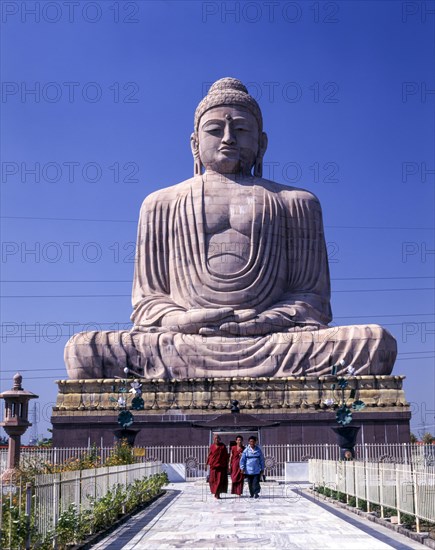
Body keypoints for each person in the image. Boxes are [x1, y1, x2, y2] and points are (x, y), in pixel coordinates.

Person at [65, 77, 397, 380]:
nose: (227, 138)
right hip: (185, 340)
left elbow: (311, 300)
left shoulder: (297, 202)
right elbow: (148, 303)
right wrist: (182, 320)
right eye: (214, 130)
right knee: (85, 351)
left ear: (262, 143)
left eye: (240, 130)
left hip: (272, 340)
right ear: (195, 144)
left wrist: (265, 321)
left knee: (374, 343)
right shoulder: (160, 203)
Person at [206, 434, 229, 499]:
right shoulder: (212, 446)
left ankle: (217, 493)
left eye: (218, 438)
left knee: (219, 481)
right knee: (212, 480)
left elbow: (225, 456)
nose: (217, 440)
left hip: (221, 466)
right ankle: (215, 492)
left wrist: (227, 465)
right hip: (213, 466)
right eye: (215, 438)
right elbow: (209, 455)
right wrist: (206, 464)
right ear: (213, 439)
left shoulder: (223, 446)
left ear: (220, 439)